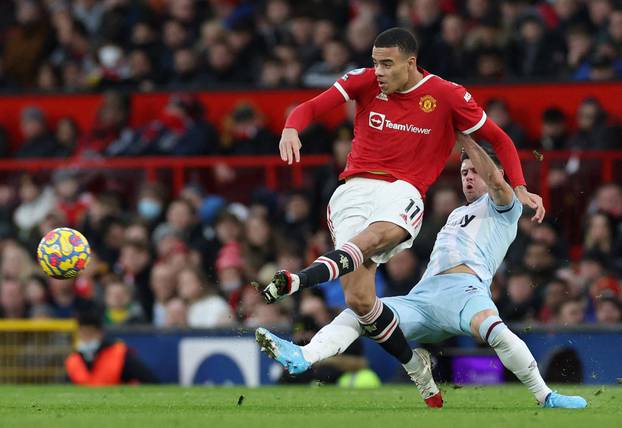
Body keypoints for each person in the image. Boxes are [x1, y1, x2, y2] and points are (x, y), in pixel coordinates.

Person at [258, 27, 545, 379]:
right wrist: (290, 127)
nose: (378, 72)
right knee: (359, 302)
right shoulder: (363, 81)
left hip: (402, 191)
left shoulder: (446, 95)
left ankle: (300, 280)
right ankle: (413, 364)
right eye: (375, 63)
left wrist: (519, 185)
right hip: (353, 190)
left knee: (372, 239)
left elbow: (499, 139)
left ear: (410, 63)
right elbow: (311, 107)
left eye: (387, 64)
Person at [256, 133, 585, 409]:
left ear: (493, 172)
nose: (468, 176)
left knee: (494, 330)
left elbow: (499, 182)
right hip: (424, 296)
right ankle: (304, 355)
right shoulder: (456, 214)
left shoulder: (505, 206)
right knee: (361, 311)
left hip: (466, 291)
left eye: (474, 171)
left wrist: (463, 134)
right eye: (463, 171)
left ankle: (546, 396)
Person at [65, 310, 158, 386]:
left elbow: (150, 379)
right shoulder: (73, 360)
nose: (87, 338)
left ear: (100, 334)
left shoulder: (118, 354)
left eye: (90, 333)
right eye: (83, 333)